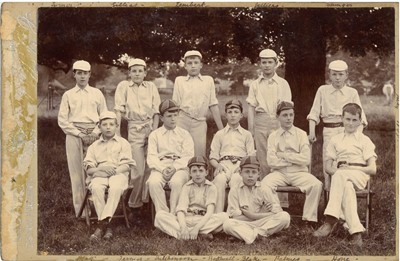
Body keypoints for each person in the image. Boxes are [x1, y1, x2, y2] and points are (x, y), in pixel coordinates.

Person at [313, 103, 377, 248]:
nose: (350, 123)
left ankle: (330, 220)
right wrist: (339, 173)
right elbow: (328, 167)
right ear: (342, 118)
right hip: (342, 176)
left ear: (360, 121)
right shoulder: (335, 140)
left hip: (359, 175)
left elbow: (373, 169)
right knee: (346, 187)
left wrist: (350, 168)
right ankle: (356, 232)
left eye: (354, 120)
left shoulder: (364, 140)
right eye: (347, 119)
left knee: (341, 176)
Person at [307, 60, 368, 192]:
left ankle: (345, 198)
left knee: (345, 164)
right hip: (329, 131)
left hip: (347, 131)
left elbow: (361, 118)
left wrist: (358, 136)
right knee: (329, 164)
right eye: (334, 74)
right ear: (329, 74)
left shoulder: (352, 92)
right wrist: (312, 132)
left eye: (341, 74)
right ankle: (329, 199)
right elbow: (314, 114)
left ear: (346, 75)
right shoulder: (322, 90)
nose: (337, 78)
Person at [58, 60, 107, 217]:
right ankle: (82, 210)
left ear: (90, 74)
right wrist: (79, 134)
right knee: (77, 173)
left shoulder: (97, 93)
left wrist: (95, 132)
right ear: (74, 75)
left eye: (85, 73)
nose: (83, 76)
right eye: (79, 73)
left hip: (94, 135)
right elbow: (62, 120)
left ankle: (98, 206)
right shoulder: (68, 95)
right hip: (74, 135)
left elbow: (104, 116)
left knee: (94, 170)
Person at [114, 58, 161, 224]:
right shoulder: (124, 87)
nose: (137, 74)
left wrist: (154, 131)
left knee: (151, 168)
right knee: (138, 170)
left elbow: (156, 110)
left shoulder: (151, 87)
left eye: (140, 71)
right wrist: (117, 132)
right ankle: (133, 205)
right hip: (134, 128)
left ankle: (147, 205)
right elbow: (119, 110)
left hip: (151, 127)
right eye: (133, 71)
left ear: (145, 73)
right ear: (129, 73)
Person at [261, 101, 322, 224]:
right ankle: (277, 214)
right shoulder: (273, 136)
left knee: (316, 184)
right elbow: (271, 162)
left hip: (299, 172)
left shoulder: (301, 134)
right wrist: (294, 159)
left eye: (291, 115)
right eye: (285, 115)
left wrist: (284, 156)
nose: (289, 118)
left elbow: (305, 159)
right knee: (265, 184)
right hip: (280, 173)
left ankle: (308, 219)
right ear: (278, 117)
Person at [246, 48, 292, 208]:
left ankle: (283, 201)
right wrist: (251, 129)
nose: (266, 65)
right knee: (263, 160)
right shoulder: (255, 84)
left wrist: (284, 126)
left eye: (269, 62)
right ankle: (266, 200)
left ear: (276, 64)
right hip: (261, 121)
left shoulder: (283, 84)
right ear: (260, 64)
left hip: (278, 122)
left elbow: (286, 107)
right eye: (263, 62)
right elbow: (251, 107)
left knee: (279, 158)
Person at [83, 111, 136, 241]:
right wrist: (100, 169)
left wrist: (113, 171)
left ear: (116, 126)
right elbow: (89, 168)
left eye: (111, 124)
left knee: (116, 187)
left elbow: (127, 165)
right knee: (96, 187)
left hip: (118, 172)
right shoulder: (94, 146)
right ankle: (108, 226)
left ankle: (101, 225)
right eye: (104, 124)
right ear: (99, 126)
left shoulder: (123, 143)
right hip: (99, 173)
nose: (108, 127)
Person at [154, 156, 229, 240]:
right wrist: (183, 227)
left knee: (224, 217)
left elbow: (209, 212)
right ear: (189, 173)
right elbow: (181, 210)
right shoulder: (186, 187)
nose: (197, 174)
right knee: (160, 216)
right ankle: (198, 235)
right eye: (194, 171)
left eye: (201, 171)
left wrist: (196, 228)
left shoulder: (211, 187)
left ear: (206, 172)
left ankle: (184, 235)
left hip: (203, 220)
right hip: (187, 219)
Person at [223, 156, 290, 244]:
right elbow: (234, 216)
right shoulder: (235, 190)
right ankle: (260, 235)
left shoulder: (264, 188)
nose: (250, 175)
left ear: (259, 174)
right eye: (247, 172)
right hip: (244, 223)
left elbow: (277, 211)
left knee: (284, 217)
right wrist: (262, 213)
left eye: (254, 172)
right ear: (240, 173)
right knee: (227, 225)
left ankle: (249, 235)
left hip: (262, 222)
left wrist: (252, 215)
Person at [147, 99, 194, 215]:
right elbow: (151, 157)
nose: (173, 119)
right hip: (160, 166)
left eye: (175, 115)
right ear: (162, 118)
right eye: (169, 116)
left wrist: (175, 167)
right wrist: (162, 169)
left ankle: (174, 214)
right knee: (153, 182)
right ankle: (163, 215)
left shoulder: (184, 134)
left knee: (177, 182)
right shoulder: (155, 135)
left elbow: (188, 155)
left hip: (179, 167)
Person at [172, 50, 224, 156]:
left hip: (199, 122)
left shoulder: (208, 80)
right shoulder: (179, 81)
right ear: (185, 66)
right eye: (189, 63)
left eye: (196, 63)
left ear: (201, 65)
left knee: (199, 154)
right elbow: (175, 105)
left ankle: (198, 171)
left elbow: (213, 104)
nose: (193, 66)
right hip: (182, 121)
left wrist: (222, 130)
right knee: (180, 153)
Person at [210, 99, 256, 213]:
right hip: (224, 164)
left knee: (237, 179)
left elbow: (251, 156)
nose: (233, 115)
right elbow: (213, 156)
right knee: (219, 180)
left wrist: (243, 167)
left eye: (236, 112)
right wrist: (217, 165)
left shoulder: (247, 135)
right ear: (225, 115)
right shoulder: (220, 134)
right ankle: (218, 215)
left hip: (240, 166)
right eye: (230, 112)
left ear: (241, 115)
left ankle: (233, 213)